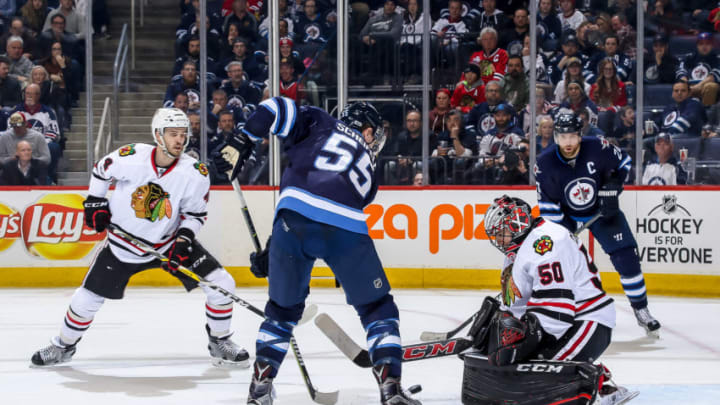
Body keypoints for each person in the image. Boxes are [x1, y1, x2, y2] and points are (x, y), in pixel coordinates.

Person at [212, 98, 421, 404]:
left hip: (291, 221)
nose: (374, 139)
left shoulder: (320, 121)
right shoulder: (370, 176)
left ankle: (260, 388)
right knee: (378, 309)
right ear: (364, 130)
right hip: (345, 226)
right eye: (373, 132)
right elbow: (329, 211)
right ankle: (391, 389)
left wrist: (244, 137)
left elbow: (274, 106)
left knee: (281, 313)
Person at [29, 108, 250, 369]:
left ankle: (220, 341)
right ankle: (62, 346)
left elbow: (194, 215)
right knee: (85, 299)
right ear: (158, 135)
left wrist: (182, 243)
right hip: (123, 246)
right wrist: (95, 202)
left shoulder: (195, 172)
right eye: (172, 134)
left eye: (183, 134)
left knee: (222, 283)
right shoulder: (131, 156)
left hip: (168, 243)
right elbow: (101, 170)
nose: (179, 140)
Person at [467, 195, 634, 405]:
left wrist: (525, 339)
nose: (498, 240)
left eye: (501, 233)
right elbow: (515, 304)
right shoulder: (515, 251)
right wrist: (496, 329)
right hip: (561, 319)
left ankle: (599, 388)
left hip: (588, 319)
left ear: (517, 225)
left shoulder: (547, 242)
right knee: (519, 364)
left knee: (540, 369)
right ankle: (599, 381)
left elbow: (557, 310)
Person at [535, 112, 661, 337]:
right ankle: (564, 311)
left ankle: (641, 310)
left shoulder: (598, 147)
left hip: (603, 211)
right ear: (555, 137)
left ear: (580, 135)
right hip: (567, 216)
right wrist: (561, 233)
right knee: (560, 266)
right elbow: (547, 205)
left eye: (573, 136)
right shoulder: (544, 163)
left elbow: (624, 161)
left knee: (627, 258)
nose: (568, 142)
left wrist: (612, 186)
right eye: (563, 137)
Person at [676, 32, 720, 107]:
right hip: (690, 87)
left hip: (707, 89)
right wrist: (685, 85)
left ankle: (707, 115)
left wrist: (696, 87)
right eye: (701, 44)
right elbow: (681, 71)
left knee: (710, 87)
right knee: (679, 87)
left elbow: (713, 76)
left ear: (712, 45)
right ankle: (683, 114)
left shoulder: (717, 58)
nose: (704, 46)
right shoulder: (689, 58)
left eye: (707, 44)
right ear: (697, 45)